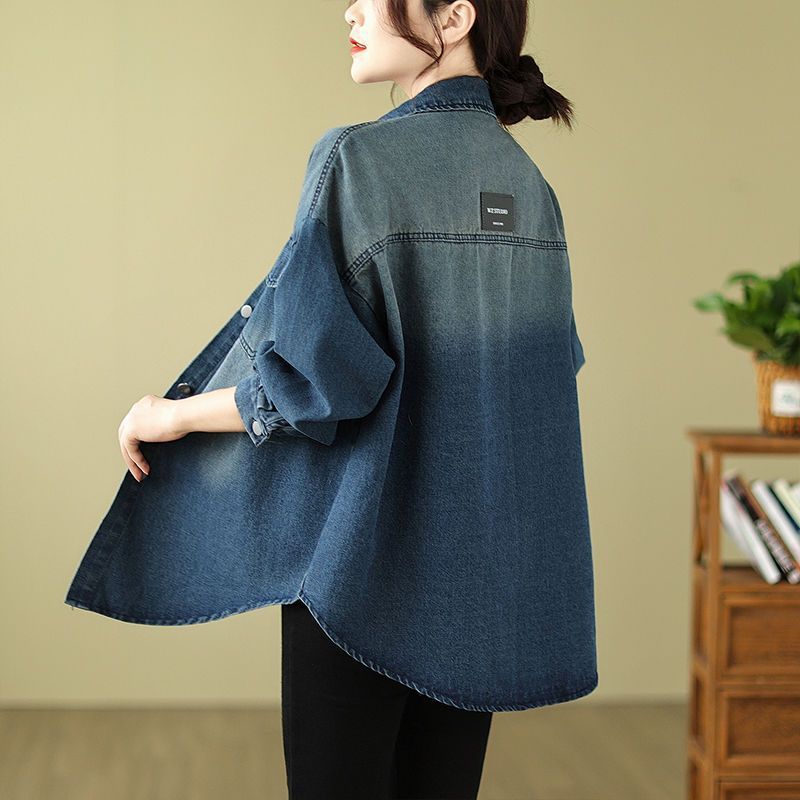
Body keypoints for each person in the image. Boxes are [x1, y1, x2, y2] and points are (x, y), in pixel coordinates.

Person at [65, 1, 597, 798]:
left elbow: (315, 384)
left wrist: (169, 415)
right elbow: (542, 385)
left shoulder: (357, 161)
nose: (349, 8)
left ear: (455, 17)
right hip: (478, 597)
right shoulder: (531, 188)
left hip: (360, 584)